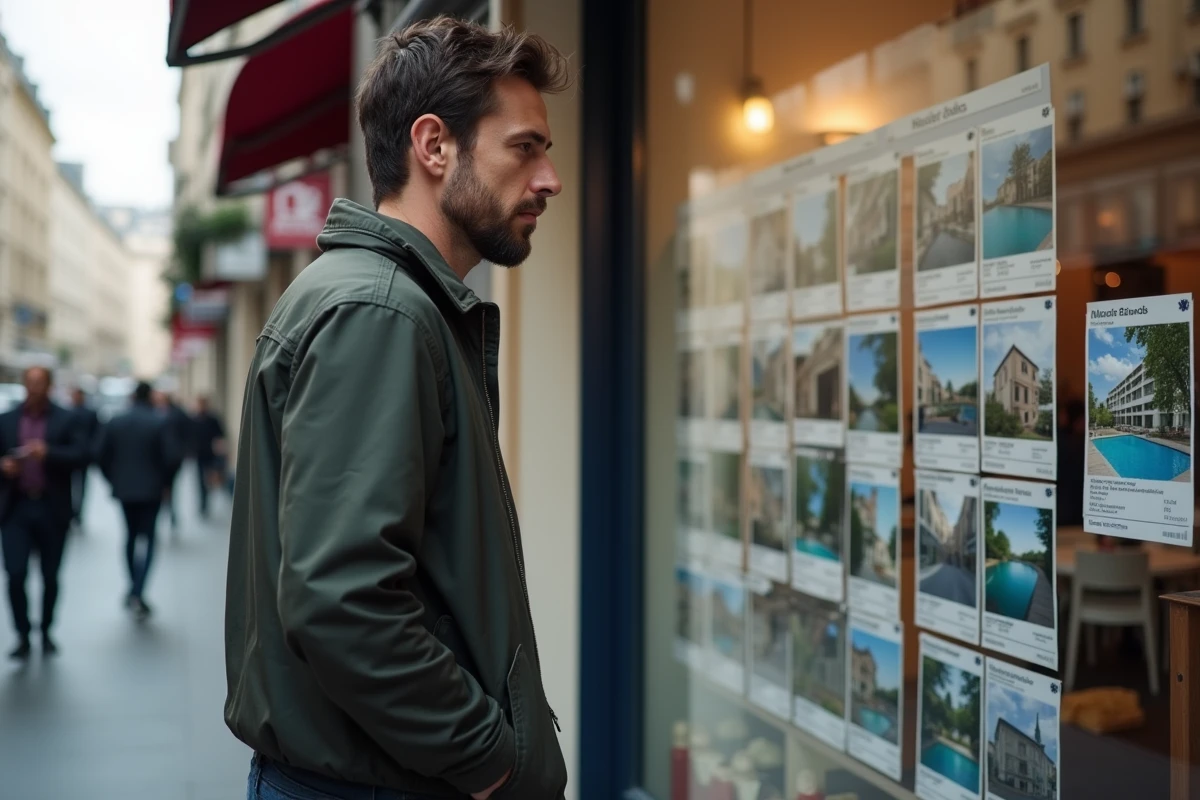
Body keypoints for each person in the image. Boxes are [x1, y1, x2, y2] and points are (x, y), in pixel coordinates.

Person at [225, 18, 570, 800]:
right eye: (526, 147)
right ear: (434, 145)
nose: (549, 178)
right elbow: (343, 600)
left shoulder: (384, 302)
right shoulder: (380, 313)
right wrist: (490, 761)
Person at [0, 366, 87, 659]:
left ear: (49, 386)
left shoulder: (66, 419)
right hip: (16, 509)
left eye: (40, 383)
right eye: (30, 382)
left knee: (50, 576)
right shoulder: (6, 420)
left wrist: (48, 453)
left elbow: (82, 456)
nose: (34, 388)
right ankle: (22, 634)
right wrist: (5, 467)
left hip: (52, 508)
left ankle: (46, 630)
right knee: (15, 574)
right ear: (24, 385)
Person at [95, 382, 175, 621]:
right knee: (149, 538)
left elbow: (99, 454)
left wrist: (113, 479)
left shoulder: (116, 421)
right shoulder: (159, 421)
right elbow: (171, 458)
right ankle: (138, 589)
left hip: (125, 490)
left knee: (130, 536)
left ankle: (133, 586)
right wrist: (165, 483)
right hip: (151, 491)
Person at [152, 390, 190, 534]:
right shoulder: (154, 412)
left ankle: (172, 515)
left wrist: (183, 450)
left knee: (171, 488)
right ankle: (161, 515)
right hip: (158, 460)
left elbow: (187, 432)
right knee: (160, 489)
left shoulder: (177, 413)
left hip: (173, 459)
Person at [69, 387, 100, 530]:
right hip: (72, 456)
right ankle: (73, 512)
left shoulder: (87, 413)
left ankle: (77, 512)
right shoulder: (68, 413)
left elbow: (97, 434)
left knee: (80, 486)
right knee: (72, 485)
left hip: (82, 456)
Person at [190, 396, 225, 517]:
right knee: (200, 481)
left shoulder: (212, 419)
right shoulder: (194, 419)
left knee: (209, 480)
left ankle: (206, 501)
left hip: (211, 454)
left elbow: (220, 435)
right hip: (200, 455)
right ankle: (203, 504)